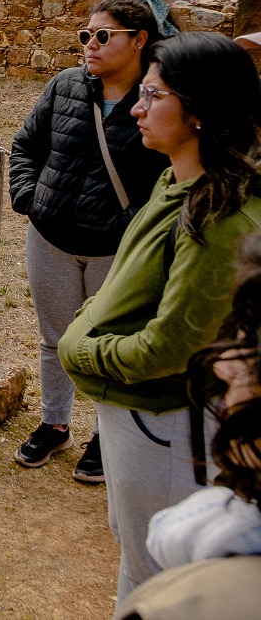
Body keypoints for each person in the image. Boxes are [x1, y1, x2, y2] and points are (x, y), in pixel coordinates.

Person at [59, 31, 261, 601]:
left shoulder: (218, 220)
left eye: (153, 96)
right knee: (137, 548)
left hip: (166, 422)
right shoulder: (178, 179)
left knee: (157, 577)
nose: (137, 109)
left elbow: (175, 347)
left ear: (198, 110)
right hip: (141, 416)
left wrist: (82, 350)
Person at [9, 0, 177, 482]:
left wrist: (139, 236)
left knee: (109, 340)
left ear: (139, 40)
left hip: (115, 249)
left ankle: (107, 436)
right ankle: (55, 423)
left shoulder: (157, 103)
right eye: (86, 35)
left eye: (104, 36)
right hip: (52, 238)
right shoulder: (65, 87)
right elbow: (26, 144)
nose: (90, 44)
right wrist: (28, 199)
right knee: (55, 338)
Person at [111, 230, 261, 620]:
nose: (222, 365)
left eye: (251, 350)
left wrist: (82, 352)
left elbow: (168, 341)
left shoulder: (191, 604)